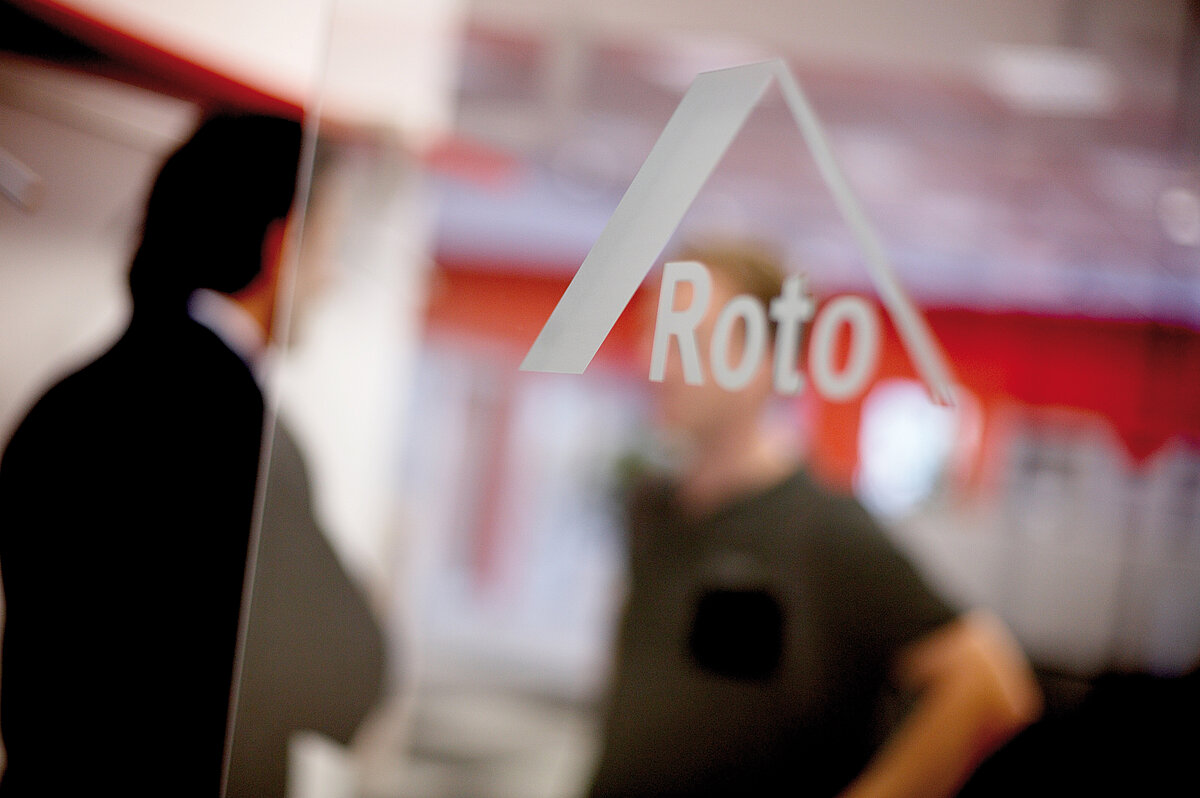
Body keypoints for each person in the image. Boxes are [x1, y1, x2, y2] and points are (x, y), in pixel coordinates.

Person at [0, 112, 382, 796]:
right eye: (329, 243)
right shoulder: (243, 435)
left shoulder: (60, 407)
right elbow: (350, 678)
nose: (332, 279)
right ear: (281, 245)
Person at [586, 241, 1042, 798]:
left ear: (767, 361)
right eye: (653, 335)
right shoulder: (653, 509)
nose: (656, 363)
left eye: (691, 340)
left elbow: (990, 683)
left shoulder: (826, 530)